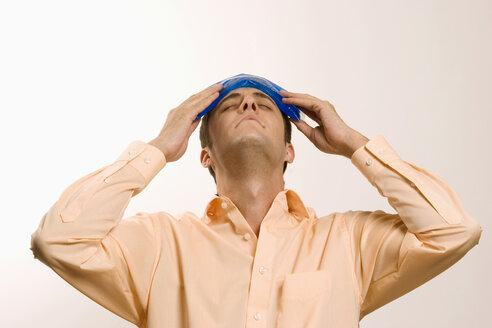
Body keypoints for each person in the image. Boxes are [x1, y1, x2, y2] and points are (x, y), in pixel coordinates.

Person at [30, 75, 483, 328]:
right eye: (231, 105)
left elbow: (455, 230)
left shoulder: (347, 241)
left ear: (291, 150)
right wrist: (157, 150)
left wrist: (354, 145)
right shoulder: (161, 244)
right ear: (204, 153)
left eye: (264, 104)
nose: (248, 105)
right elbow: (58, 241)